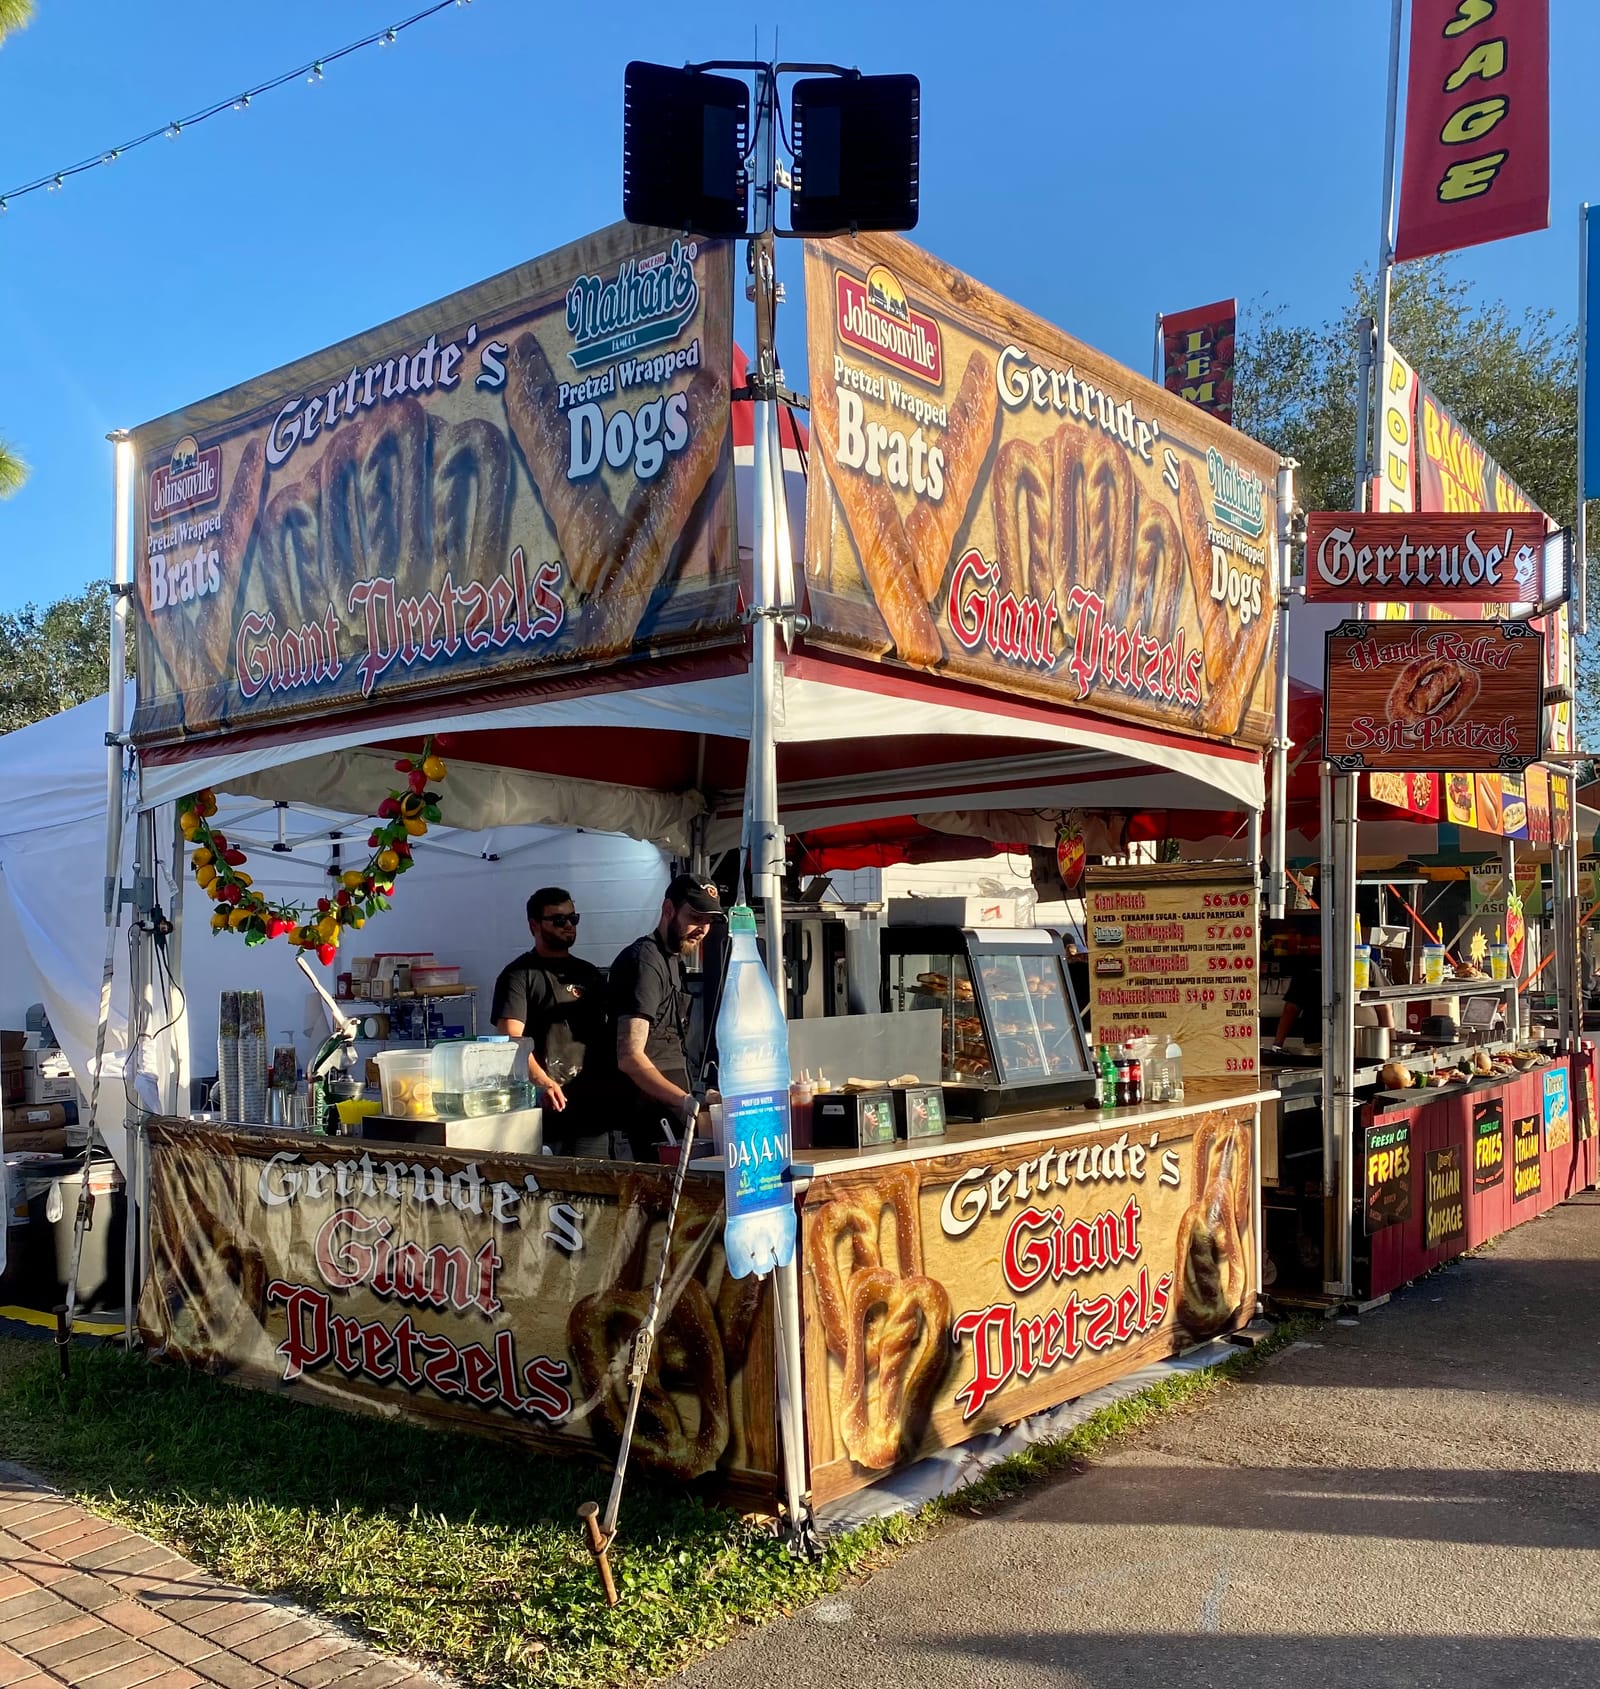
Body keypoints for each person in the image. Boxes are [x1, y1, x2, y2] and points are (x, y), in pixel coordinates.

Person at [605, 873, 724, 1160]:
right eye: (695, 917)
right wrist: (684, 1102)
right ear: (668, 909)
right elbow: (630, 1056)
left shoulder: (673, 960)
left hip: (668, 1114)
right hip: (643, 1119)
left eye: (708, 921)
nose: (702, 929)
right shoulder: (644, 961)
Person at [491, 886, 607, 1154]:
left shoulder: (589, 974)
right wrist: (543, 1081)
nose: (568, 925)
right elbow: (510, 1039)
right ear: (534, 925)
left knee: (595, 1188)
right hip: (543, 1107)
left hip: (591, 1109)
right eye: (558, 920)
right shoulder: (518, 975)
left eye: (573, 918)